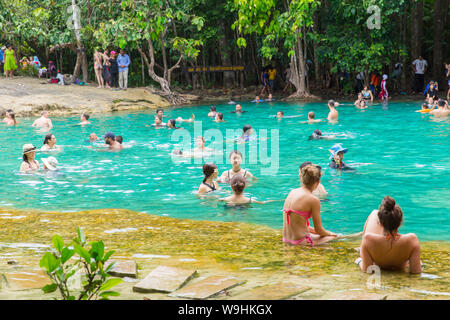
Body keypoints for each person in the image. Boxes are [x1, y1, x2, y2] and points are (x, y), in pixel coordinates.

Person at [356, 196, 421, 274]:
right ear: (400, 223)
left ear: (379, 223)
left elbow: (367, 270)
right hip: (401, 265)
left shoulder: (368, 239)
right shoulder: (412, 239)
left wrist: (359, 261)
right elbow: (416, 272)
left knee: (374, 213)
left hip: (376, 255)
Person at [282, 164, 337, 246]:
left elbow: (297, 222)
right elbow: (319, 230)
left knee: (320, 234)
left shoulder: (292, 192)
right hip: (300, 241)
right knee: (335, 237)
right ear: (318, 182)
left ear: (302, 178)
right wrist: (329, 233)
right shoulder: (313, 199)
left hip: (286, 239)